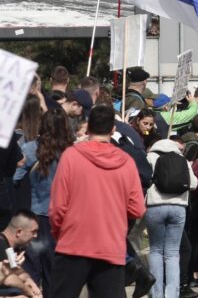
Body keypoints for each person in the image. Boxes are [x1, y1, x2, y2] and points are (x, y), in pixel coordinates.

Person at [48, 104, 146, 297]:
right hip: (110, 245)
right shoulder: (126, 162)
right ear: (113, 130)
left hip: (73, 243)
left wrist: (59, 233)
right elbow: (137, 209)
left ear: (88, 126)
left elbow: (58, 206)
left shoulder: (71, 156)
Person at [25, 111, 74, 293]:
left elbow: (14, 177)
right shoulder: (72, 152)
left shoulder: (31, 149)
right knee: (56, 273)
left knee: (31, 272)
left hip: (35, 216)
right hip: (63, 217)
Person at [145, 136, 198, 298]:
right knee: (173, 253)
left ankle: (156, 293)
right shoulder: (180, 158)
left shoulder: (150, 157)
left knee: (155, 251)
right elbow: (194, 183)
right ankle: (172, 294)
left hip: (155, 206)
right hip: (178, 208)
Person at [0, 211, 42, 298]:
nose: (36, 236)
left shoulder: (9, 246)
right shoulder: (1, 244)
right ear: (19, 232)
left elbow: (16, 270)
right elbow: (9, 279)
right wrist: (29, 292)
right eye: (33, 232)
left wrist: (30, 281)